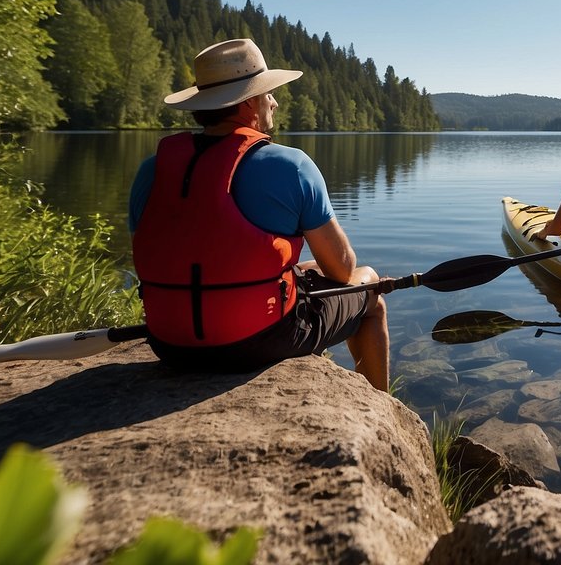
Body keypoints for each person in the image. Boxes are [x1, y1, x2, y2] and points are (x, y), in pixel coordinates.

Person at [128, 39, 390, 390]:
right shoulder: (291, 164)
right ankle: (379, 408)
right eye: (269, 93)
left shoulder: (152, 169)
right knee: (370, 285)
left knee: (302, 270)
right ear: (250, 100)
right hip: (257, 341)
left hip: (169, 344)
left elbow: (171, 255)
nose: (275, 101)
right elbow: (342, 270)